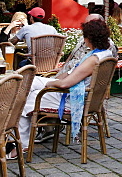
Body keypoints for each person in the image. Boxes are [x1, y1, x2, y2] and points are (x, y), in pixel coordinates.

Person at [18, 19, 114, 152]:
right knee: (28, 85)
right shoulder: (106, 55)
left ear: (89, 38)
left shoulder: (93, 59)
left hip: (73, 100)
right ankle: (19, 139)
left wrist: (49, 84)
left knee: (24, 99)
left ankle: (20, 145)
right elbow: (70, 74)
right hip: (88, 99)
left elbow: (65, 84)